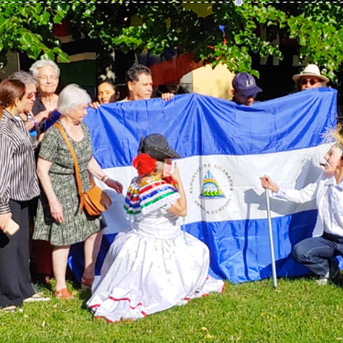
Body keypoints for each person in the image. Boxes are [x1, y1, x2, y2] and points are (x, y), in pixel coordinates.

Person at [87, 134, 224, 322]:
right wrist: (179, 182)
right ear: (160, 164)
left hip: (139, 238)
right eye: (169, 161)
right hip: (158, 242)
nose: (172, 164)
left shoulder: (137, 181)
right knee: (200, 252)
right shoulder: (156, 187)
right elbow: (182, 210)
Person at [32, 84, 123, 300]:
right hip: (61, 189)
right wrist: (53, 201)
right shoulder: (54, 135)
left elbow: (87, 158)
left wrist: (105, 178)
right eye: (81, 108)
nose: (85, 111)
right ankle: (60, 287)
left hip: (85, 188)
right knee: (63, 238)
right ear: (68, 108)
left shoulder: (85, 128)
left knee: (95, 229)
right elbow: (41, 169)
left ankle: (88, 277)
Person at [260, 135, 343, 292]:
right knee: (300, 251)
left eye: (330, 154)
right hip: (328, 239)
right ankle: (329, 269)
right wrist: (276, 189)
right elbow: (302, 195)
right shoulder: (324, 178)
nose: (325, 157)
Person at [0, 79, 49, 312]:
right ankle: (7, 297)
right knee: (7, 246)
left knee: (21, 245)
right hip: (7, 195)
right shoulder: (3, 127)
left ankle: (23, 288)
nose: (32, 99)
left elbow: (24, 146)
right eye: (27, 96)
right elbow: (1, 169)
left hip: (23, 193)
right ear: (15, 99)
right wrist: (2, 207)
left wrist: (38, 140)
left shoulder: (18, 121)